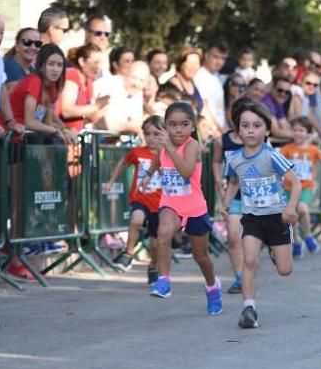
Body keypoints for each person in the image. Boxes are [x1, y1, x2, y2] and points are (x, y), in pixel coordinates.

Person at [221, 100, 300, 329]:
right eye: (245, 126)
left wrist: (291, 207)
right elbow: (234, 180)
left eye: (256, 125)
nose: (250, 130)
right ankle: (249, 308)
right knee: (250, 260)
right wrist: (226, 203)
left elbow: (295, 183)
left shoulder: (271, 155)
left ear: (266, 129)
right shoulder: (234, 158)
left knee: (285, 270)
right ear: (238, 130)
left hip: (277, 217)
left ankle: (277, 252)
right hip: (252, 217)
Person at [139, 102, 223, 314]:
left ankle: (212, 286)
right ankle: (164, 280)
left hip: (194, 207)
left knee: (201, 257)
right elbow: (158, 160)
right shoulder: (163, 147)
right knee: (163, 232)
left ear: (192, 127)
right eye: (173, 125)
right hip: (171, 203)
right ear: (166, 126)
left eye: (184, 125)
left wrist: (168, 148)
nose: (178, 130)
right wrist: (148, 176)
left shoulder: (192, 145)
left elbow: (186, 171)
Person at [105, 116, 165, 283]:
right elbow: (123, 163)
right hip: (141, 197)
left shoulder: (168, 155)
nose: (151, 138)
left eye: (156, 134)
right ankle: (128, 254)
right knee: (136, 218)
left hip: (160, 203)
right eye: (147, 134)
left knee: (155, 245)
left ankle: (153, 267)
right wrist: (111, 181)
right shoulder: (137, 152)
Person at [7, 44, 76, 143]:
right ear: (41, 66)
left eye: (59, 65)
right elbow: (29, 122)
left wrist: (65, 130)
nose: (55, 69)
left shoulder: (51, 87)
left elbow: (47, 121)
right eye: (51, 64)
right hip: (8, 139)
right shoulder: (34, 81)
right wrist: (56, 131)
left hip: (24, 141)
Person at [213, 98, 247, 294]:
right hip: (232, 194)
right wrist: (218, 178)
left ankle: (248, 273)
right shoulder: (222, 140)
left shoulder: (259, 140)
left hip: (254, 196)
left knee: (250, 239)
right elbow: (216, 161)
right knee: (234, 236)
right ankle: (240, 278)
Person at [280, 117, 321, 259]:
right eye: (295, 130)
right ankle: (297, 241)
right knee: (292, 216)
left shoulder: (314, 150)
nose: (298, 133)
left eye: (301, 130)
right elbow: (277, 163)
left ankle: (309, 236)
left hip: (306, 187)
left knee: (302, 208)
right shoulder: (287, 149)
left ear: (308, 133)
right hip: (288, 188)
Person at [61, 44, 111, 131]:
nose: (99, 67)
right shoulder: (72, 75)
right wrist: (97, 106)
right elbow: (66, 111)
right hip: (60, 135)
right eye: (95, 62)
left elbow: (89, 117)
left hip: (75, 136)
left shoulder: (89, 82)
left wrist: (104, 107)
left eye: (100, 63)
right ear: (82, 62)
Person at [195, 40, 228, 135]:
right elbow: (204, 107)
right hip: (210, 132)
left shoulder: (215, 76)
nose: (219, 62)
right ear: (206, 55)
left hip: (219, 131)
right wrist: (219, 130)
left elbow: (220, 109)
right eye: (215, 57)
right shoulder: (200, 76)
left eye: (223, 58)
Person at [260, 74, 294, 139]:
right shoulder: (267, 102)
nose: (283, 94)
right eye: (280, 90)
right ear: (272, 88)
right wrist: (300, 135)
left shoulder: (278, 102)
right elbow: (276, 132)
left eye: (287, 92)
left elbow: (285, 126)